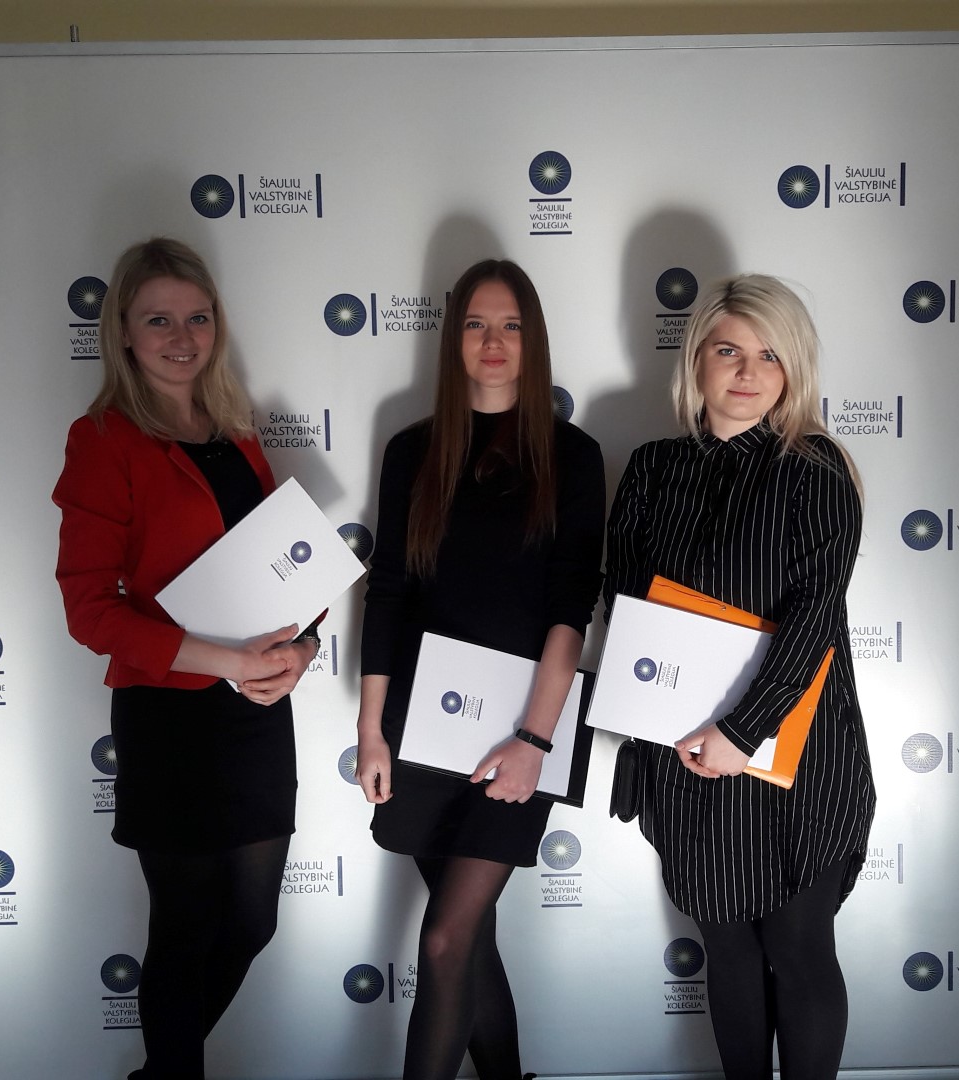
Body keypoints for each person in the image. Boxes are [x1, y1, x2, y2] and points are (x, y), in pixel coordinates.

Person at [53, 237, 320, 1080]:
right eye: (158, 320)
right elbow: (89, 609)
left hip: (255, 713)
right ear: (123, 332)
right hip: (169, 715)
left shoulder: (237, 433)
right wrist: (224, 660)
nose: (181, 337)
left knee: (252, 923)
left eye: (197, 318)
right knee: (185, 927)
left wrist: (303, 647)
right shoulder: (104, 439)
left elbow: (287, 569)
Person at [602, 275, 875, 1080]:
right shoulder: (651, 469)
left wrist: (740, 731)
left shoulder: (815, 469)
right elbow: (625, 607)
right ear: (698, 358)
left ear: (794, 368)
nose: (748, 371)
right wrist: (656, 729)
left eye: (769, 355)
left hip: (797, 758)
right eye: (729, 350)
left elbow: (815, 615)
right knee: (725, 945)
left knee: (798, 944)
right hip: (683, 754)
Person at [354, 259, 605, 1080]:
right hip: (421, 732)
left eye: (510, 326)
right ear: (452, 337)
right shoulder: (411, 450)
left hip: (524, 732)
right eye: (475, 324)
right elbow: (388, 592)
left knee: (444, 938)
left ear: (533, 340)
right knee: (470, 941)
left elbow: (572, 610)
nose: (493, 342)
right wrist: (371, 730)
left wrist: (535, 739)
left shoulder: (573, 456)